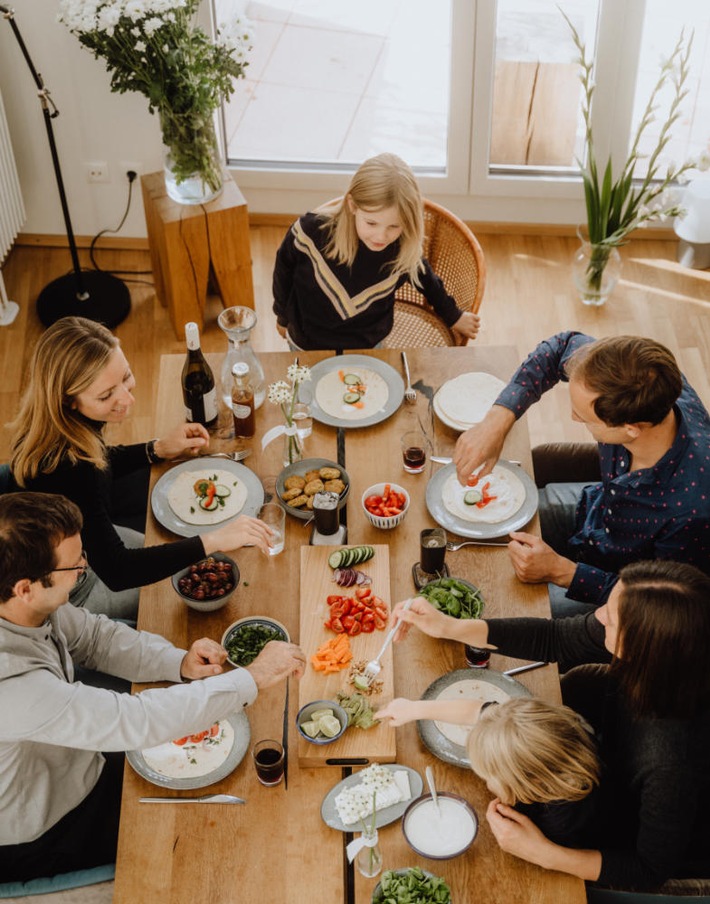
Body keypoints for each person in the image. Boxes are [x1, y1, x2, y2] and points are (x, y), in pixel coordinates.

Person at [0, 492, 305, 883]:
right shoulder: (14, 689)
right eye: (74, 565)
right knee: (214, 846)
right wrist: (255, 676)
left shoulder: (25, 604)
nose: (85, 571)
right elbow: (136, 720)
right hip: (49, 827)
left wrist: (177, 662)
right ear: (25, 588)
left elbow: (96, 639)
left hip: (78, 760)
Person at [387, 560, 710, 891]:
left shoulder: (672, 764)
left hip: (618, 836)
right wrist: (449, 626)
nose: (598, 617)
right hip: (591, 772)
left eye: (611, 621)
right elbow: (553, 636)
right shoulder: (663, 658)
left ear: (645, 650)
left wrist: (542, 853)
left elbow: (647, 871)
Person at [8, 317, 273, 620]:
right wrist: (215, 540)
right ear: (68, 400)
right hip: (71, 593)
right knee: (178, 592)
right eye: (106, 395)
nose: (127, 398)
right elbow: (119, 570)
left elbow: (100, 461)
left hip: (88, 547)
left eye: (126, 376)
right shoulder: (69, 469)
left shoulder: (57, 426)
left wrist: (156, 448)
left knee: (189, 553)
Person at [453, 331, 710, 616]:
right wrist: (497, 421)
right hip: (594, 513)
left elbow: (663, 606)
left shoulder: (692, 512)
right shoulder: (647, 379)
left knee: (505, 610)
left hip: (618, 594)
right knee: (484, 534)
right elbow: (560, 347)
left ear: (631, 429)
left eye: (585, 419)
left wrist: (563, 572)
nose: (574, 418)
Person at [272, 152, 481, 350]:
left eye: (394, 226)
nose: (381, 237)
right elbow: (283, 272)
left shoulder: (403, 249)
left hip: (370, 346)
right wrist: (281, 316)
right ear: (352, 205)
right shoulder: (309, 232)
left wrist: (453, 316)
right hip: (307, 342)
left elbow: (427, 280)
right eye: (371, 223)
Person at [378, 696, 599, 847]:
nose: (485, 782)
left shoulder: (562, 818)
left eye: (487, 777)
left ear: (525, 785)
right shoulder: (535, 731)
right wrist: (414, 708)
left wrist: (521, 841)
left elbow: (545, 847)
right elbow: (478, 710)